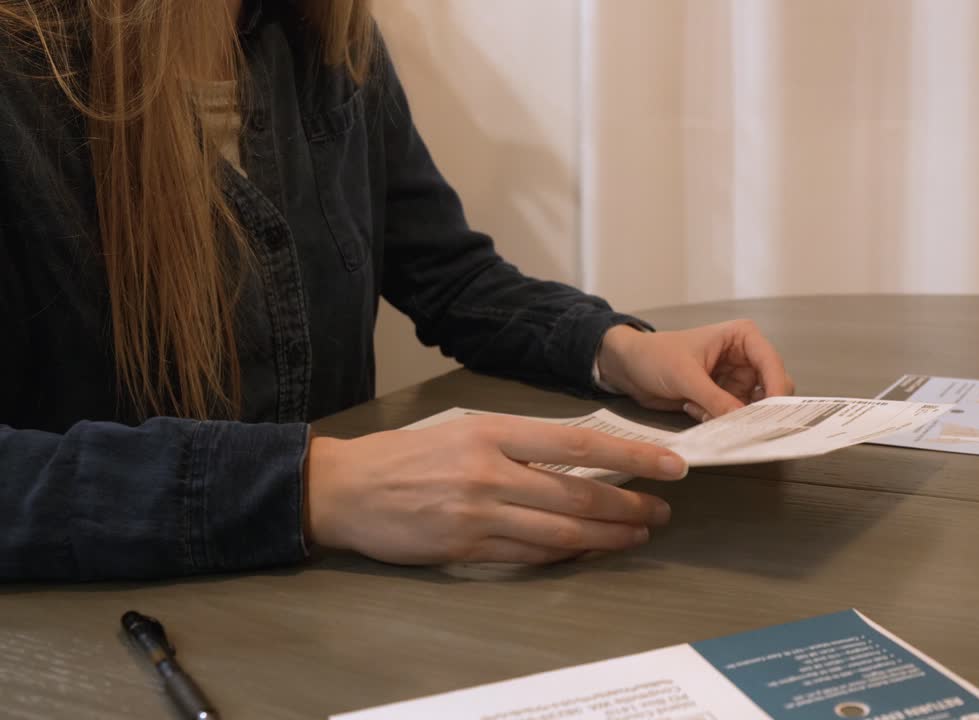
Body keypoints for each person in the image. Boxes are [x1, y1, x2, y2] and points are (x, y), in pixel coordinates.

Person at [0, 0, 794, 581]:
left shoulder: (329, 38)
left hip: (333, 607)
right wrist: (312, 487)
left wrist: (613, 348)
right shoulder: (22, 76)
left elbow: (450, 275)